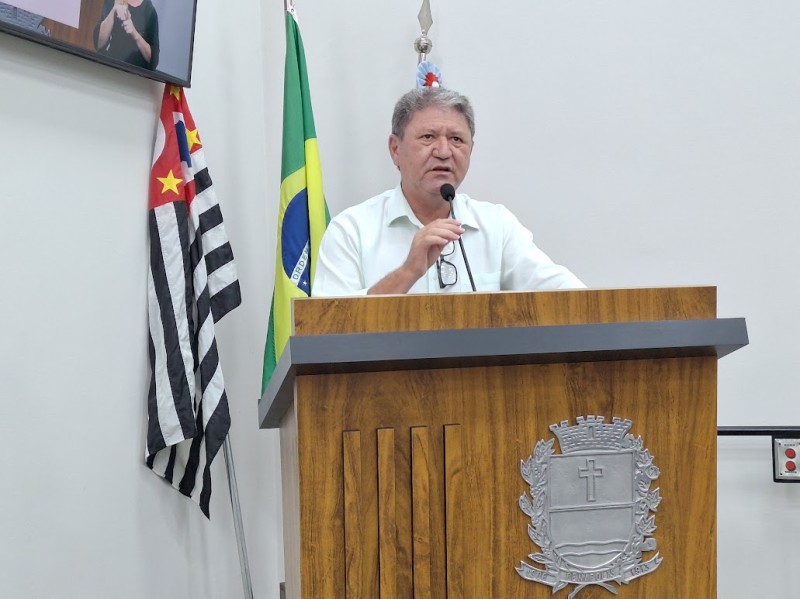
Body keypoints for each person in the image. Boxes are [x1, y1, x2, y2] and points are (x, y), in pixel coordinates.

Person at [312, 87, 585, 296]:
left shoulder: (496, 225)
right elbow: (328, 327)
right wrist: (407, 273)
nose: (444, 152)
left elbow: (567, 295)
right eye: (428, 137)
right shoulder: (351, 230)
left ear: (470, 150)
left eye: (456, 139)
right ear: (395, 149)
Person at [93, 0, 159, 70]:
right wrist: (113, 11)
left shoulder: (149, 10)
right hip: (111, 66)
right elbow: (99, 44)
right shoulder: (113, 1)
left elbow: (153, 61)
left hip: (135, 71)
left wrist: (135, 33)